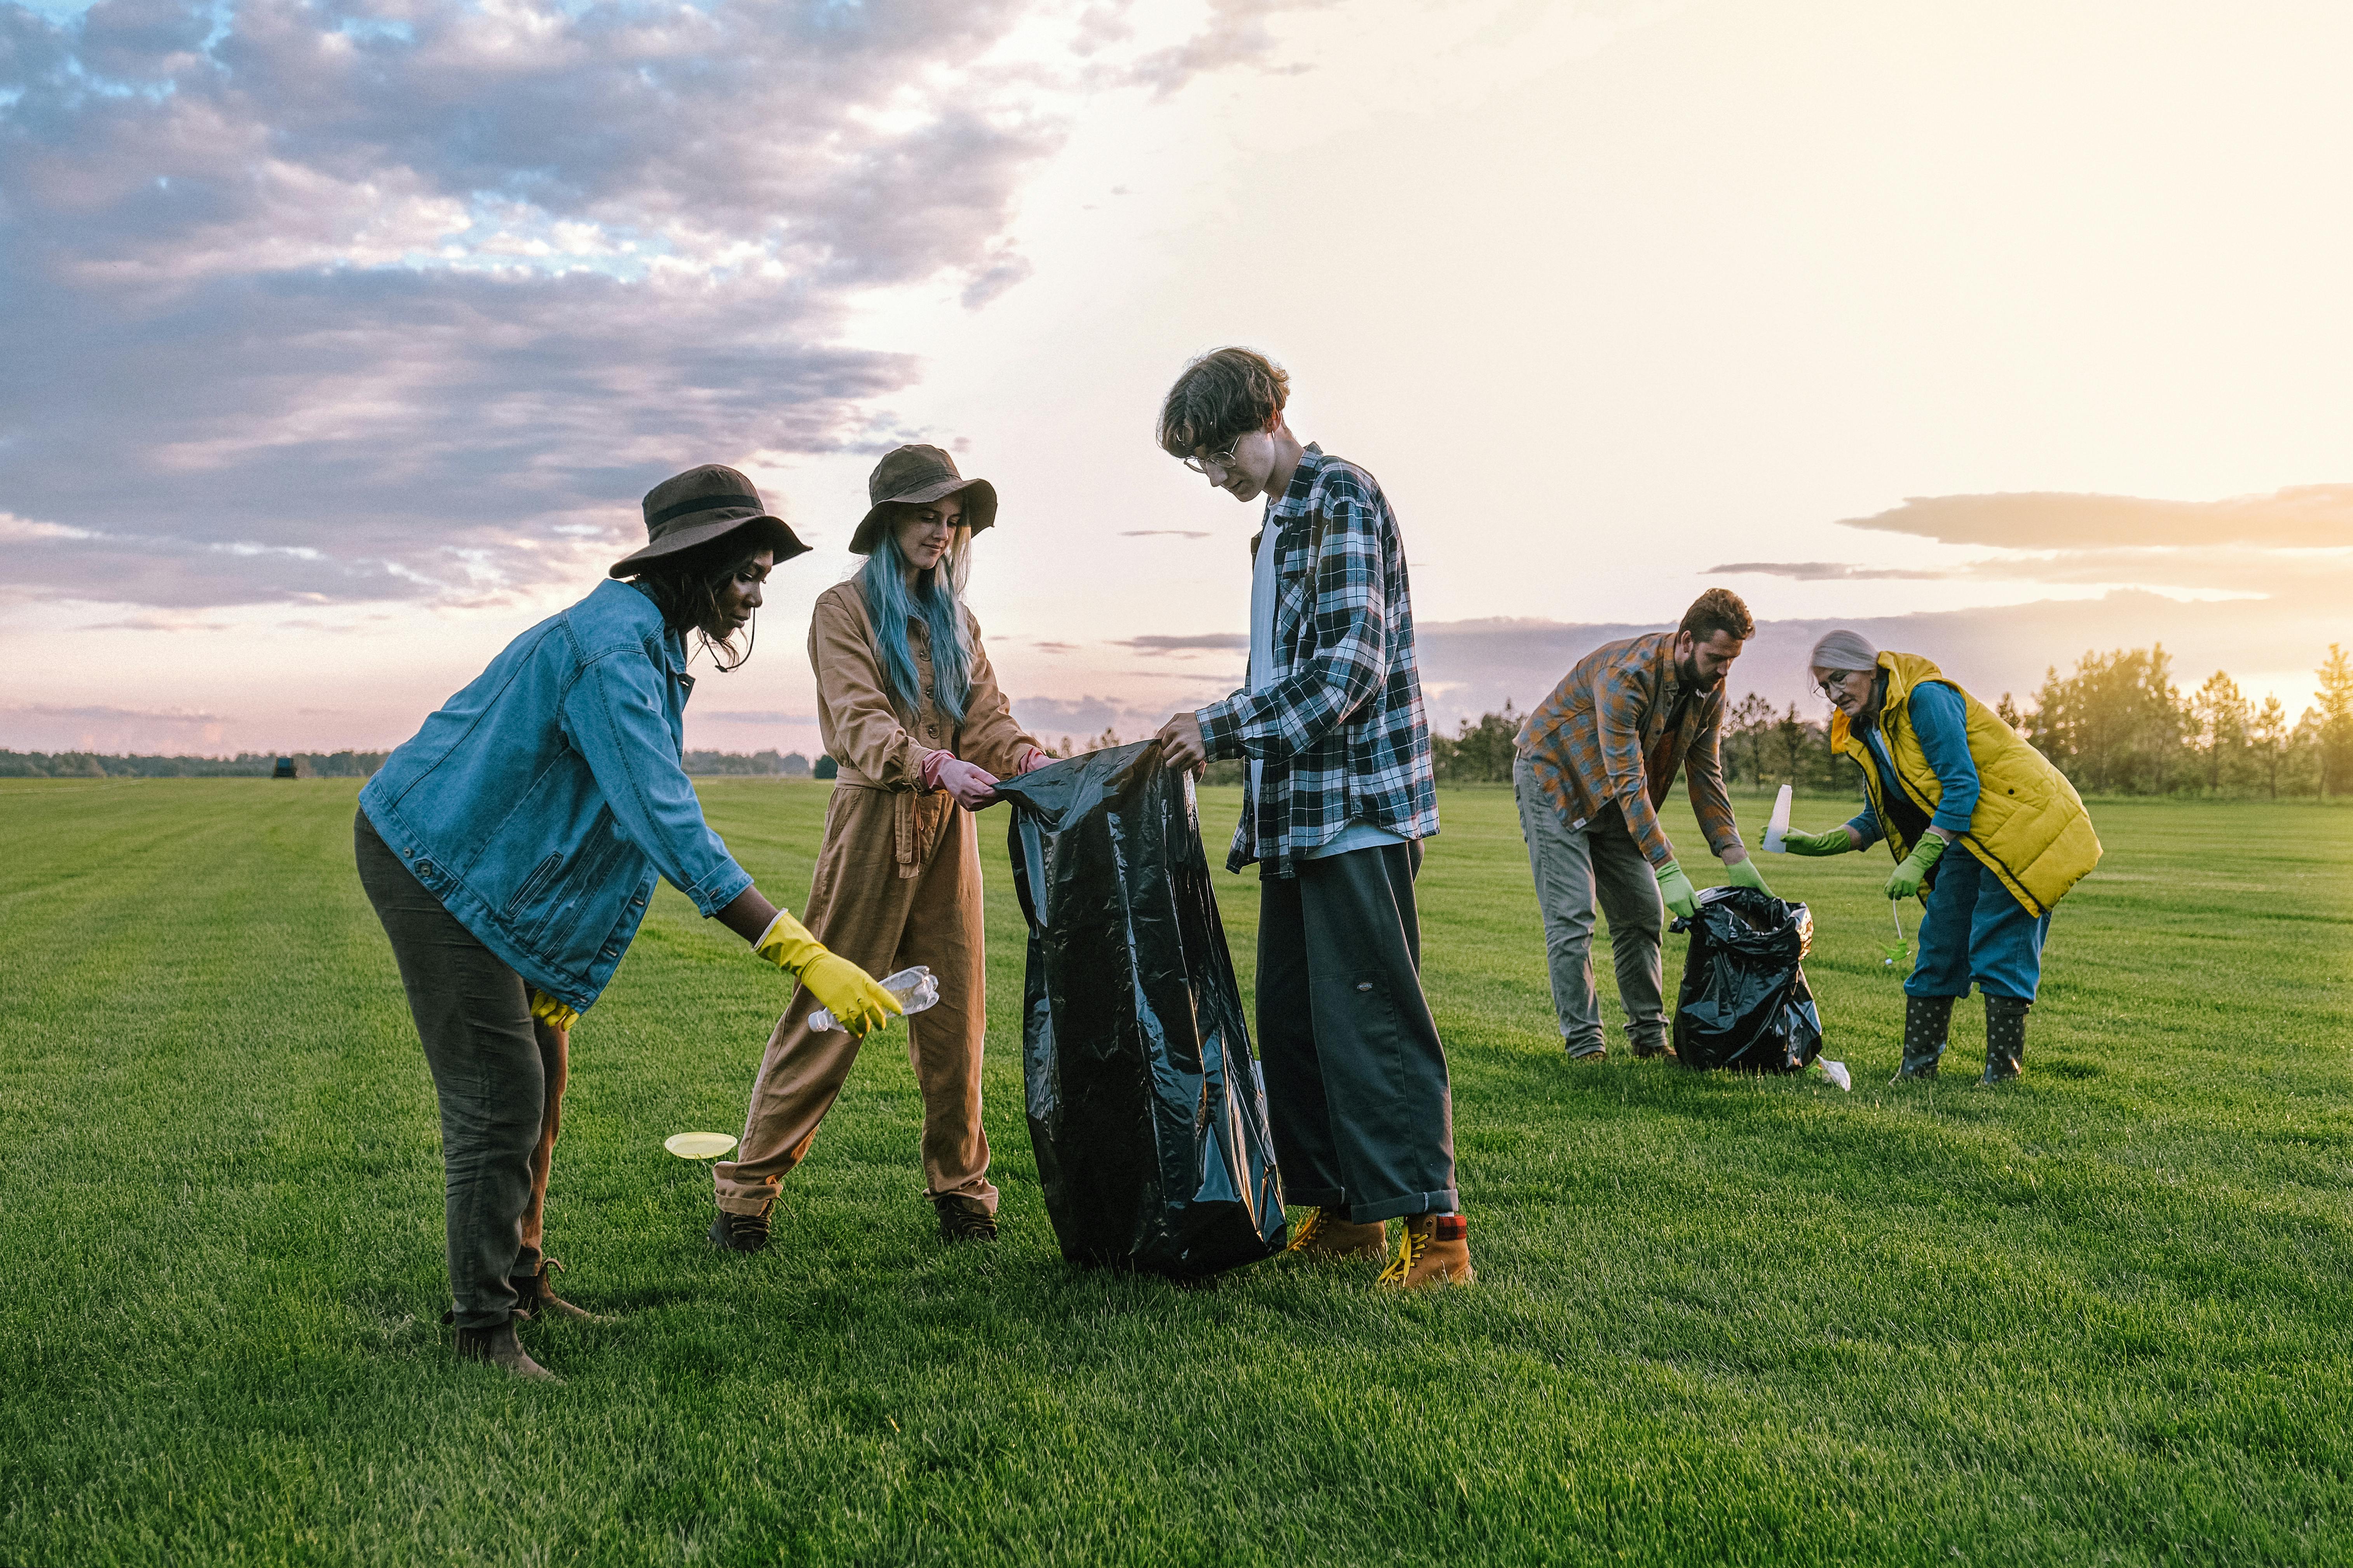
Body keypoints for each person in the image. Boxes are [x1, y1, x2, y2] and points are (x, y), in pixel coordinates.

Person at [356, 464, 902, 1381]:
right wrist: (803, 953)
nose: (754, 593)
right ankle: (482, 1333)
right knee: (500, 1097)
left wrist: (558, 971)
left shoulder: (648, 642)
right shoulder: (614, 650)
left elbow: (591, 828)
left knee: (545, 1071)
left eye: (763, 574)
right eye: (744, 573)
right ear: (691, 562)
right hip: (433, 858)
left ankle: (521, 1277)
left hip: (486, 867)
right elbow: (662, 820)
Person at [1151, 347, 1469, 1290]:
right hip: (1295, 816)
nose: (1213, 477)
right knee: (1295, 1025)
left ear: (1266, 419)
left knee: (1372, 1022)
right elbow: (1281, 676)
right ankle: (1342, 1213)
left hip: (1359, 811)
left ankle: (1438, 1230)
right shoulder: (1277, 525)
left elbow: (1348, 671)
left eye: (1215, 454)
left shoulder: (1341, 496)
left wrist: (1217, 728)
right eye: (1198, 465)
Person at [711, 445, 1048, 1251]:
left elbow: (987, 718)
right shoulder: (841, 610)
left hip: (948, 834)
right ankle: (746, 1196)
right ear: (890, 520)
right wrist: (931, 762)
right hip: (872, 821)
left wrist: (1028, 759)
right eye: (928, 515)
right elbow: (859, 720)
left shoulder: (957, 620)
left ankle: (963, 1192)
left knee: (957, 1020)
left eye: (953, 518)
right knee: (828, 1010)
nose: (943, 530)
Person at [1781, 630, 2101, 1085]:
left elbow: (1961, 786)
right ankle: (1917, 1069)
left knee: (2000, 941)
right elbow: (1883, 813)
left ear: (1869, 669)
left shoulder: (1925, 700)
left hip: (2023, 825)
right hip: (1970, 833)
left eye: (1839, 679)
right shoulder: (1871, 729)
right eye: (1824, 687)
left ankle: (2002, 1073)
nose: (1834, 695)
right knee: (1940, 941)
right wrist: (1820, 842)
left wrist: (1921, 856)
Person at [1513, 590, 1772, 1061]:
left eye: (1732, 660)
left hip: (1616, 798)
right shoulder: (1625, 676)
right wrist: (1667, 865)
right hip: (1556, 781)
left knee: (1642, 915)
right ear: (1686, 640)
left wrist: (1734, 854)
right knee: (1573, 917)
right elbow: (1628, 781)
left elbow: (1705, 772)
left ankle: (1650, 1040)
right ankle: (1586, 1047)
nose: (1724, 670)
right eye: (1717, 657)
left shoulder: (1711, 690)